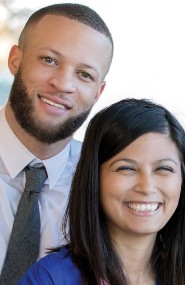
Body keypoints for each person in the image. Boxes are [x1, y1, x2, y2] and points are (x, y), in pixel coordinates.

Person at [17, 98, 185, 285]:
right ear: (94, 178)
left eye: (163, 169)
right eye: (127, 168)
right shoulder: (49, 278)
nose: (147, 187)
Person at [0, 2, 114, 282]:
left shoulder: (105, 187)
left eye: (84, 74)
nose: (63, 84)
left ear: (98, 92)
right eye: (49, 60)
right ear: (15, 59)